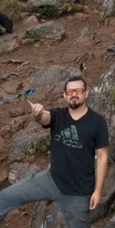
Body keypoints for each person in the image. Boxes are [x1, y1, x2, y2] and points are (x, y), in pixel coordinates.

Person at [0, 76, 108, 227]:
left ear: (86, 93)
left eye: (78, 90)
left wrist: (98, 191)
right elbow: (44, 118)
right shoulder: (58, 115)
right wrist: (37, 113)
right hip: (51, 180)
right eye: (70, 92)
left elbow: (102, 157)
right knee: (5, 197)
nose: (74, 94)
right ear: (65, 96)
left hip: (78, 193)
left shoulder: (97, 122)